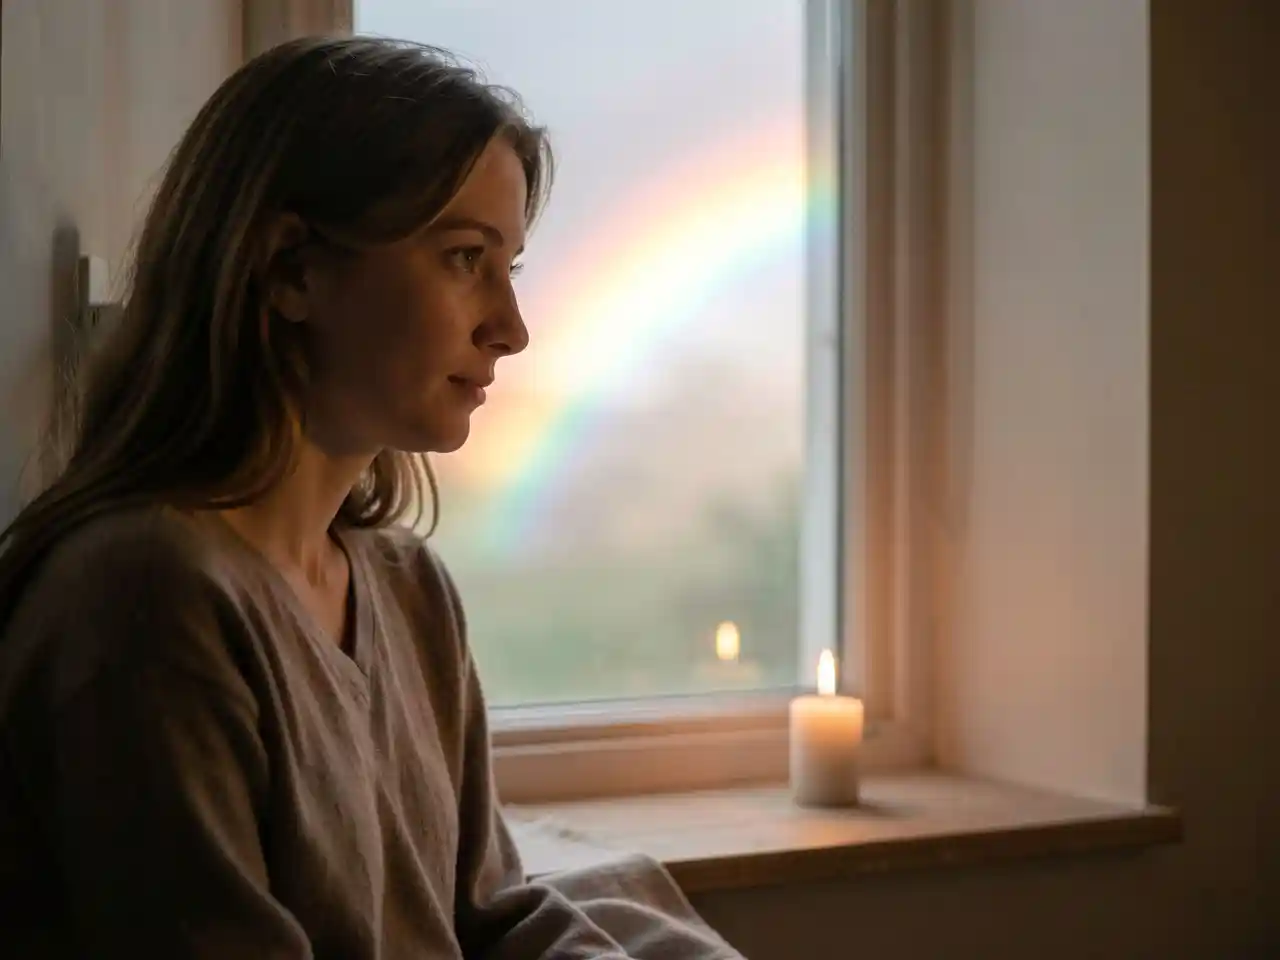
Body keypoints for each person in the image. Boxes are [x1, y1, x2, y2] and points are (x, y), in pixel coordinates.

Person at [0, 36, 738, 960]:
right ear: (293, 270)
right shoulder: (146, 603)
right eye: (464, 257)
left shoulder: (409, 590)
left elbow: (487, 912)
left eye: (509, 268)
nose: (510, 329)